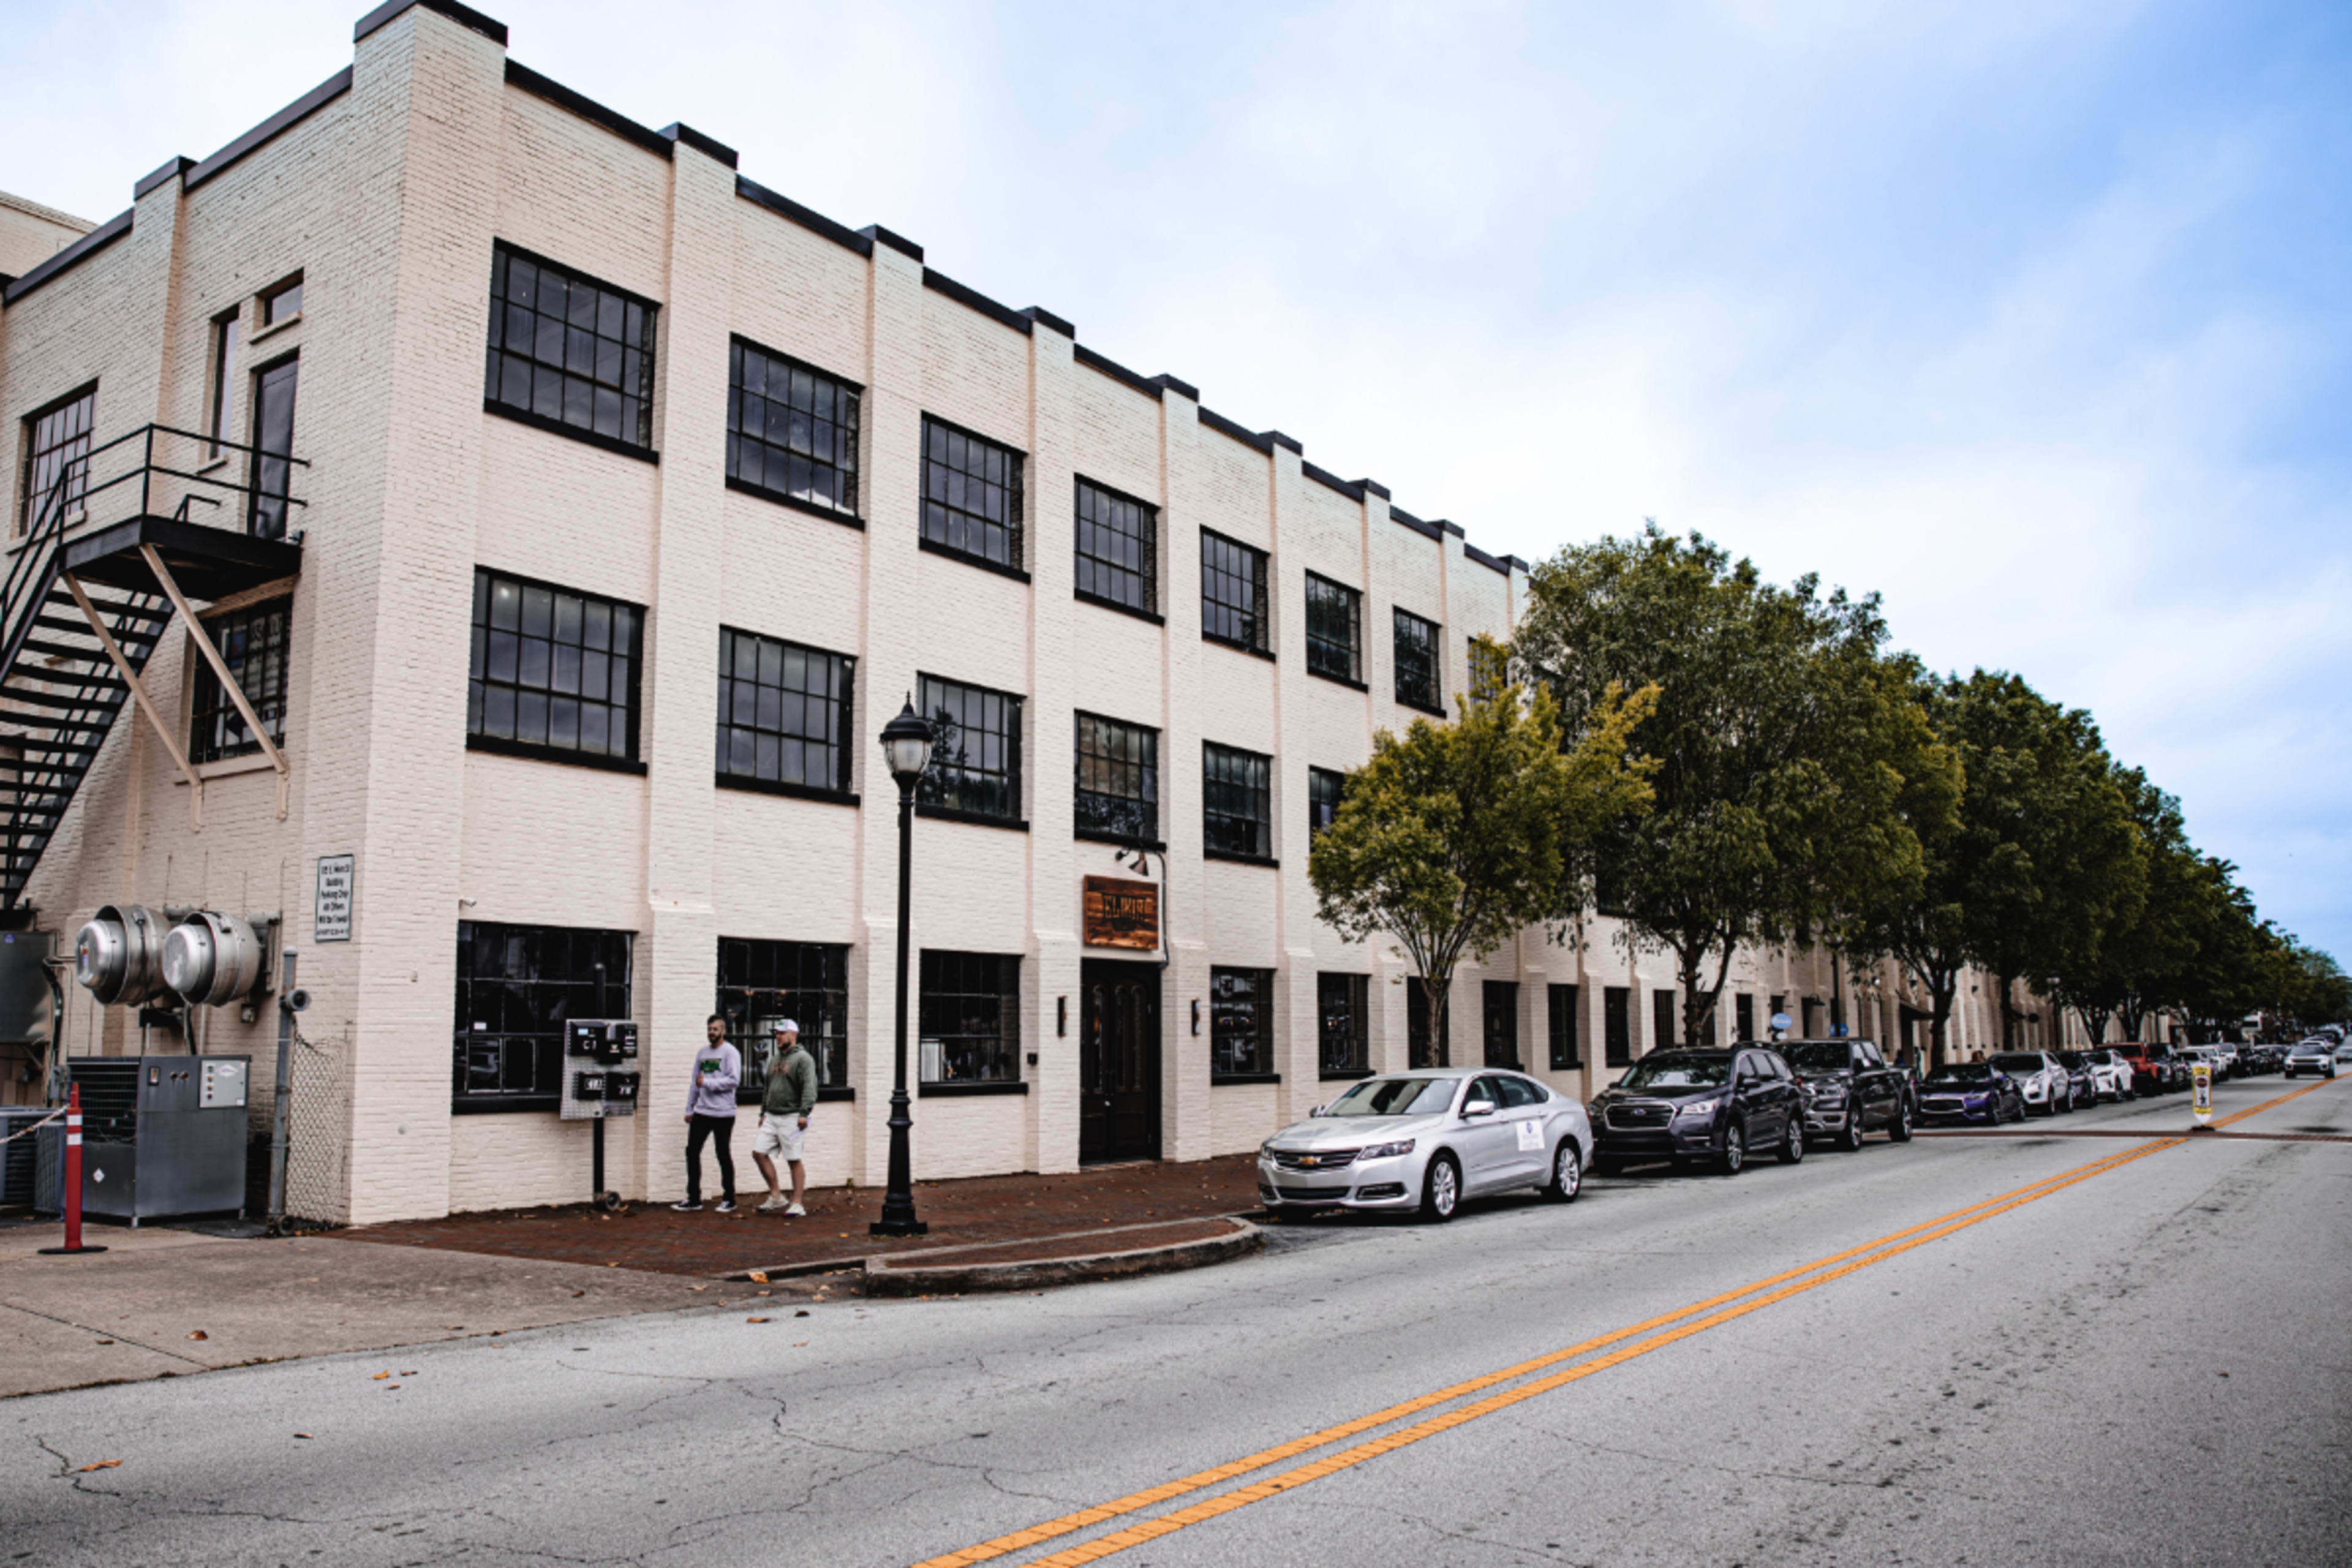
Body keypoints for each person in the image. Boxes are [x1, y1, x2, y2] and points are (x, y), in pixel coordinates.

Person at [676, 1013, 740, 1213]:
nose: (711, 1033)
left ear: (724, 1031)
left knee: (722, 1154)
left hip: (724, 1113)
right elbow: (695, 1082)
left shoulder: (730, 1053)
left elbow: (734, 1080)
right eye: (709, 1029)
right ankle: (694, 1198)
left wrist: (709, 1083)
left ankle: (729, 1198)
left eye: (715, 1029)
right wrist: (690, 1108)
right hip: (703, 1111)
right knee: (692, 1151)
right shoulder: (703, 1053)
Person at [753, 1020, 818, 1215]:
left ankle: (797, 1203)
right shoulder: (775, 1059)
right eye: (776, 1034)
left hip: (792, 1116)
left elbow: (810, 1087)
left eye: (781, 1033)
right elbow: (768, 1088)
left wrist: (804, 1113)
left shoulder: (803, 1059)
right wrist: (763, 1112)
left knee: (793, 1158)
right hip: (772, 1116)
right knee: (759, 1153)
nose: (778, 1037)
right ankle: (776, 1196)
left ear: (793, 1034)